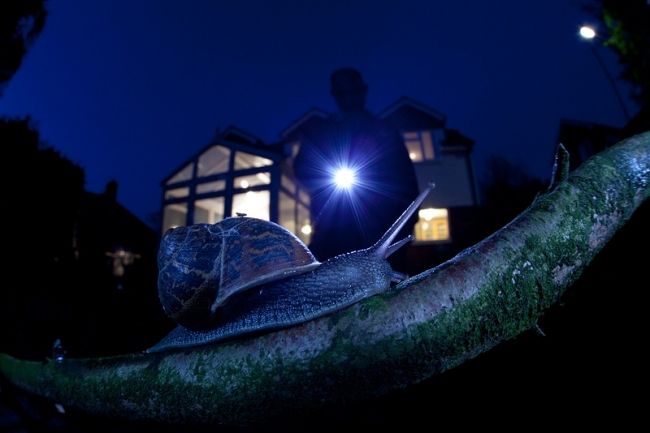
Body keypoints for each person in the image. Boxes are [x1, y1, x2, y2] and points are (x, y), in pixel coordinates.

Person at [293, 68, 419, 267]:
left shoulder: (385, 131)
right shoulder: (323, 131)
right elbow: (301, 169)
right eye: (341, 92)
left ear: (363, 91)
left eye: (352, 90)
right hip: (334, 228)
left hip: (381, 229)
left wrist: (405, 227)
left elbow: (408, 183)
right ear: (335, 95)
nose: (348, 97)